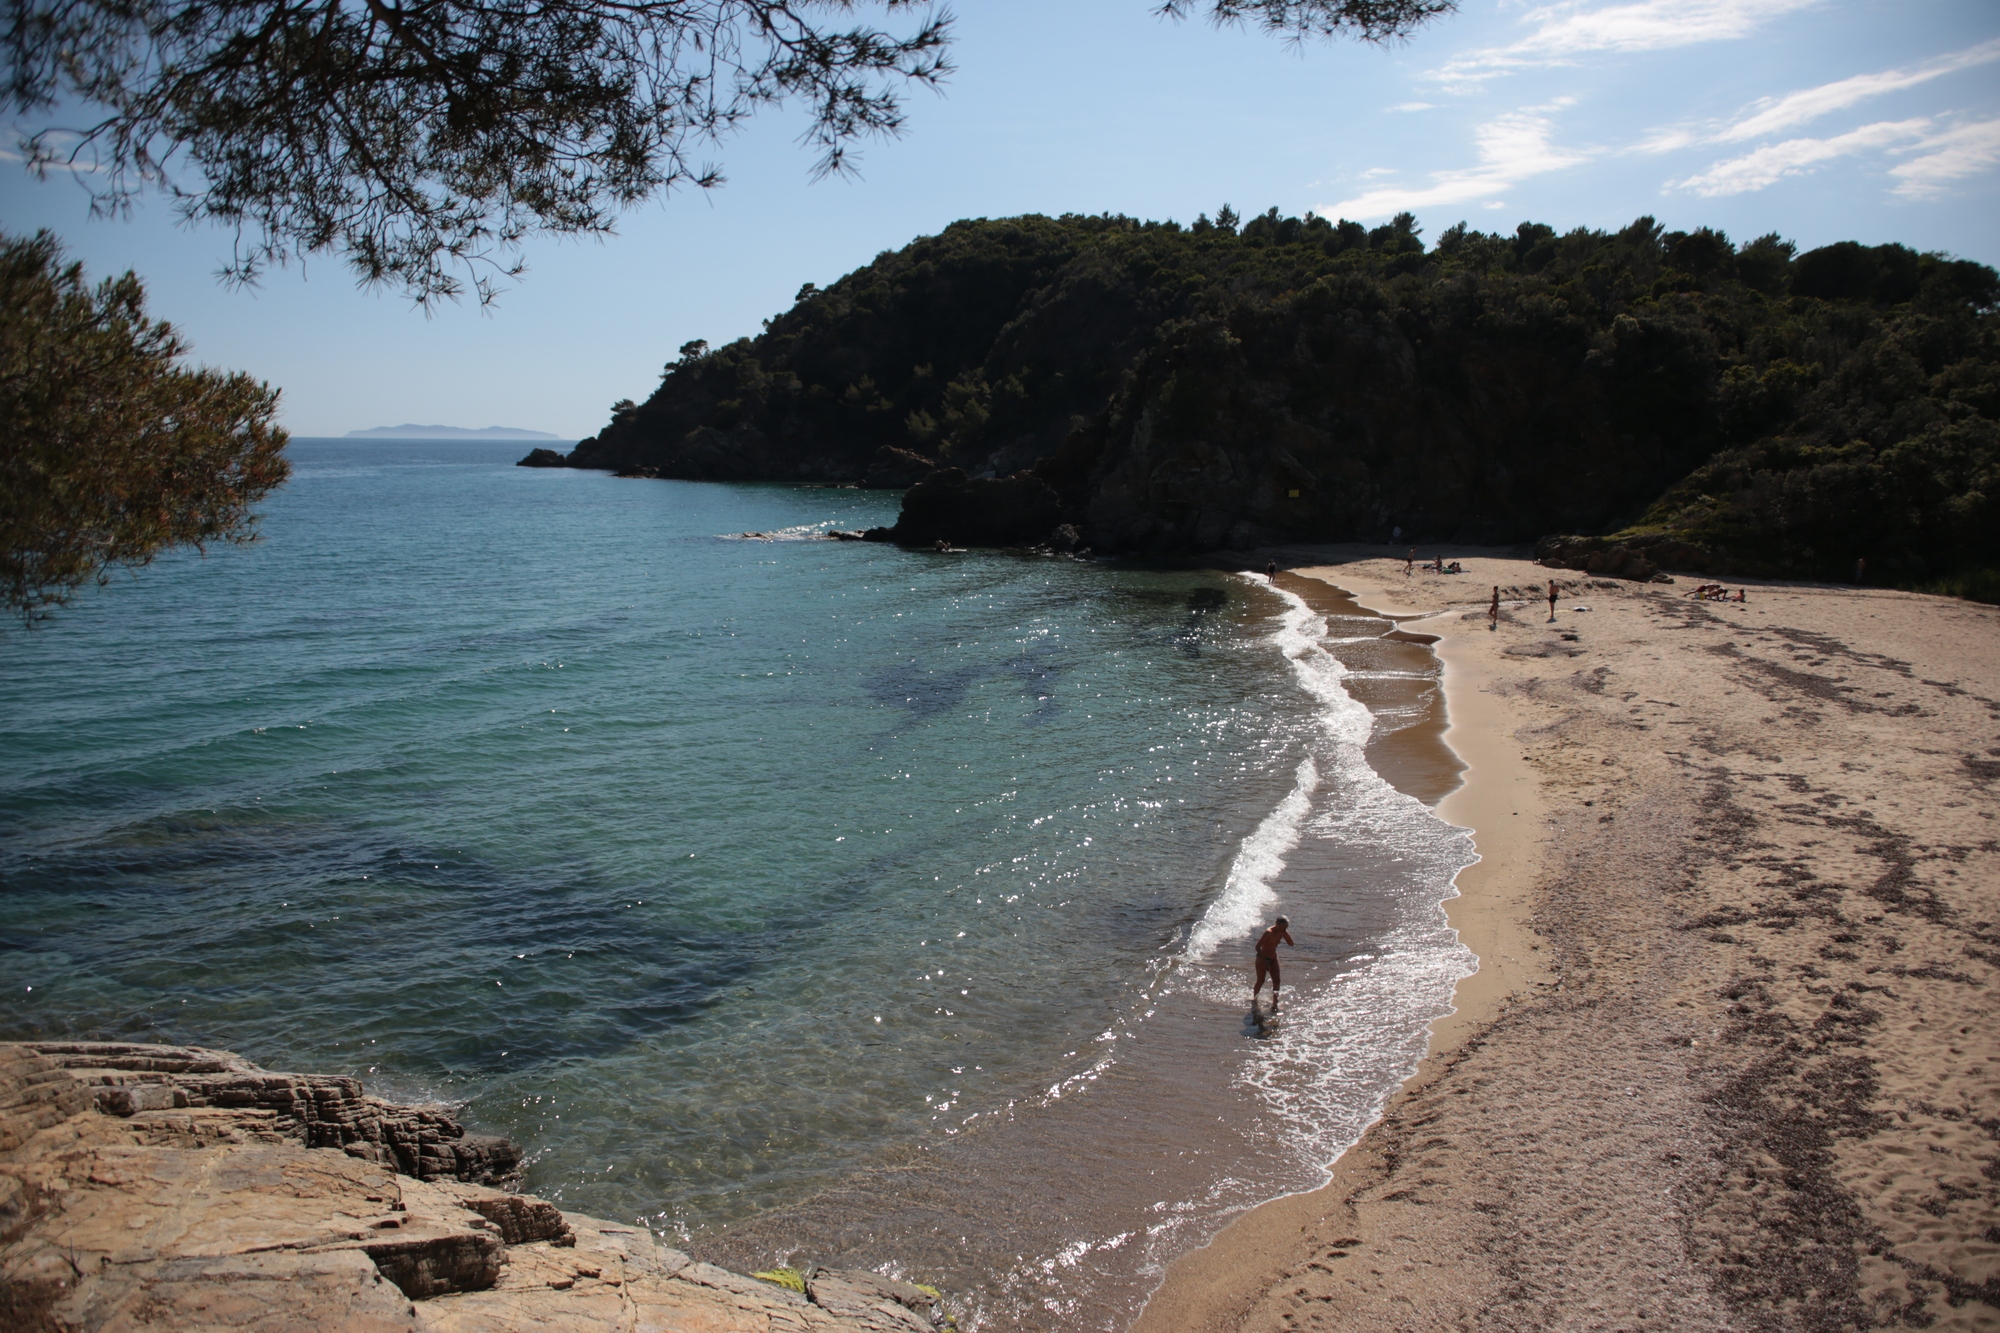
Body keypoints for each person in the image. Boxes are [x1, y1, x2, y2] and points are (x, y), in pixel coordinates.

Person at [1253, 915, 1295, 1010]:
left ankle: (1275, 1004)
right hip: (1262, 958)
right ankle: (1255, 1000)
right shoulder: (1269, 932)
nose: (1284, 930)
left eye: (1286, 927)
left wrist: (1287, 936)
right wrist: (1265, 962)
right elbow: (1257, 947)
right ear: (1277, 924)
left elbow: (1291, 944)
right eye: (1283, 927)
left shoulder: (1282, 932)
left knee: (1277, 981)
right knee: (1261, 980)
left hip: (1273, 958)